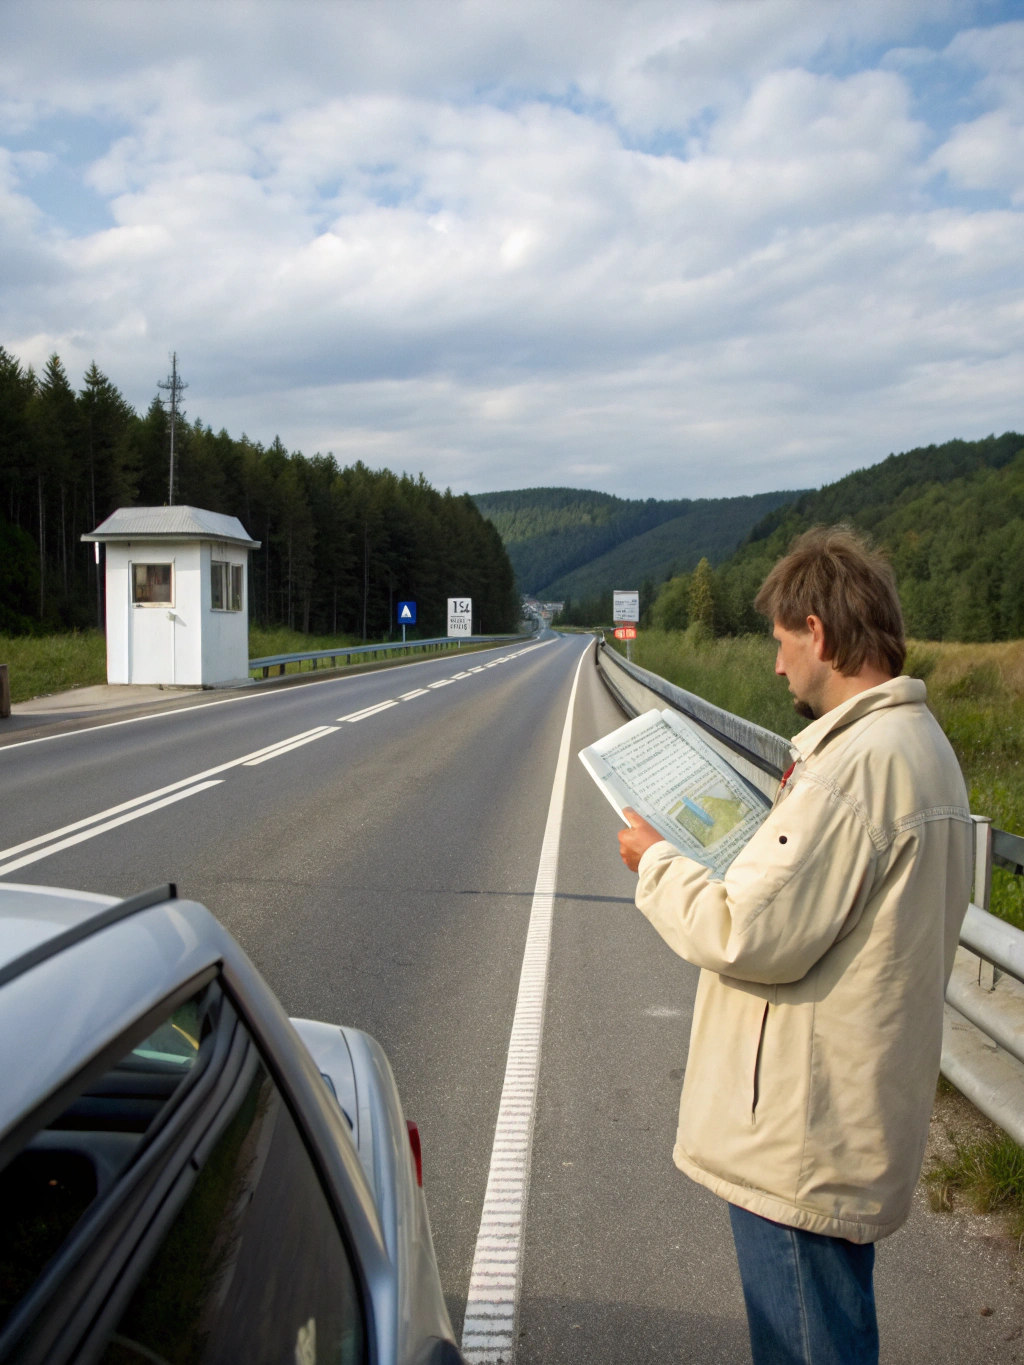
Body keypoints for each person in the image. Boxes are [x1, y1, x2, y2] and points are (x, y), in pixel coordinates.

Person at [617, 526, 973, 1365]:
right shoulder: (924, 748)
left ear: (817, 631)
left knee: (810, 1345)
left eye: (782, 643)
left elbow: (747, 930)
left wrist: (656, 859)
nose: (777, 667)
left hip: (800, 1137)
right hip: (853, 1109)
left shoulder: (855, 767)